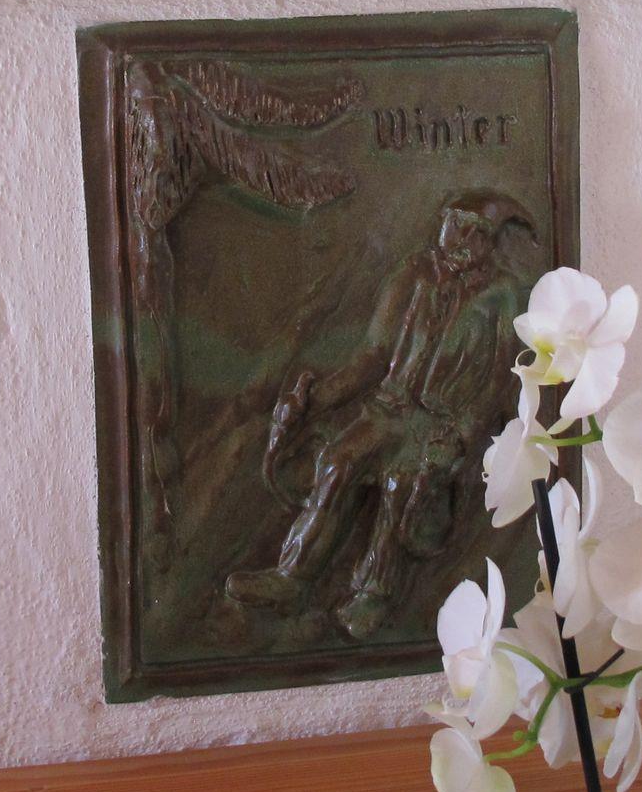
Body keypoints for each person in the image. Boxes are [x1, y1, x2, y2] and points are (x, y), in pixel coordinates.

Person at [228, 189, 535, 638]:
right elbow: (373, 356)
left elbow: (499, 381)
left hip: (441, 423)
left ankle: (373, 594)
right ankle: (292, 578)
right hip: (389, 409)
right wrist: (318, 399)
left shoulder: (502, 294)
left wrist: (462, 435)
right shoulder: (413, 274)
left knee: (401, 482)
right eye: (454, 224)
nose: (461, 239)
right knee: (339, 460)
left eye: (476, 231)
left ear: (490, 242)